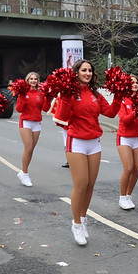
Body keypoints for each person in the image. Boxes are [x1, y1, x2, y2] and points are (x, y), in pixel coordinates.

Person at [53, 59, 122, 245]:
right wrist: (66, 97)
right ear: (76, 72)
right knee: (81, 184)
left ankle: (82, 219)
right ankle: (75, 224)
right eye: (84, 70)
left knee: (90, 185)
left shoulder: (94, 94)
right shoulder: (69, 94)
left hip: (94, 143)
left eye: (90, 70)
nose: (87, 73)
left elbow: (110, 113)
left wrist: (118, 95)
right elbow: (61, 117)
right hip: (76, 142)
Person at [15, 72, 50, 186]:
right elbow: (19, 109)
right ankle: (25, 173)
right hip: (25, 122)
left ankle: (23, 172)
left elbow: (45, 109)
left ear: (38, 81)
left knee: (31, 150)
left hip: (37, 122)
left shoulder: (41, 94)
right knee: (28, 147)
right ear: (27, 80)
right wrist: (22, 97)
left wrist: (48, 97)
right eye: (31, 79)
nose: (33, 81)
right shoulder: (23, 93)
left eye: (35, 79)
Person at [116, 74, 138, 210]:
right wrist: (136, 112)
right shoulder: (122, 100)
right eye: (132, 82)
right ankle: (122, 197)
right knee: (128, 167)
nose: (135, 84)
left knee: (136, 169)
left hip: (137, 137)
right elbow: (124, 120)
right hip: (124, 137)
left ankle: (128, 195)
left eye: (136, 82)